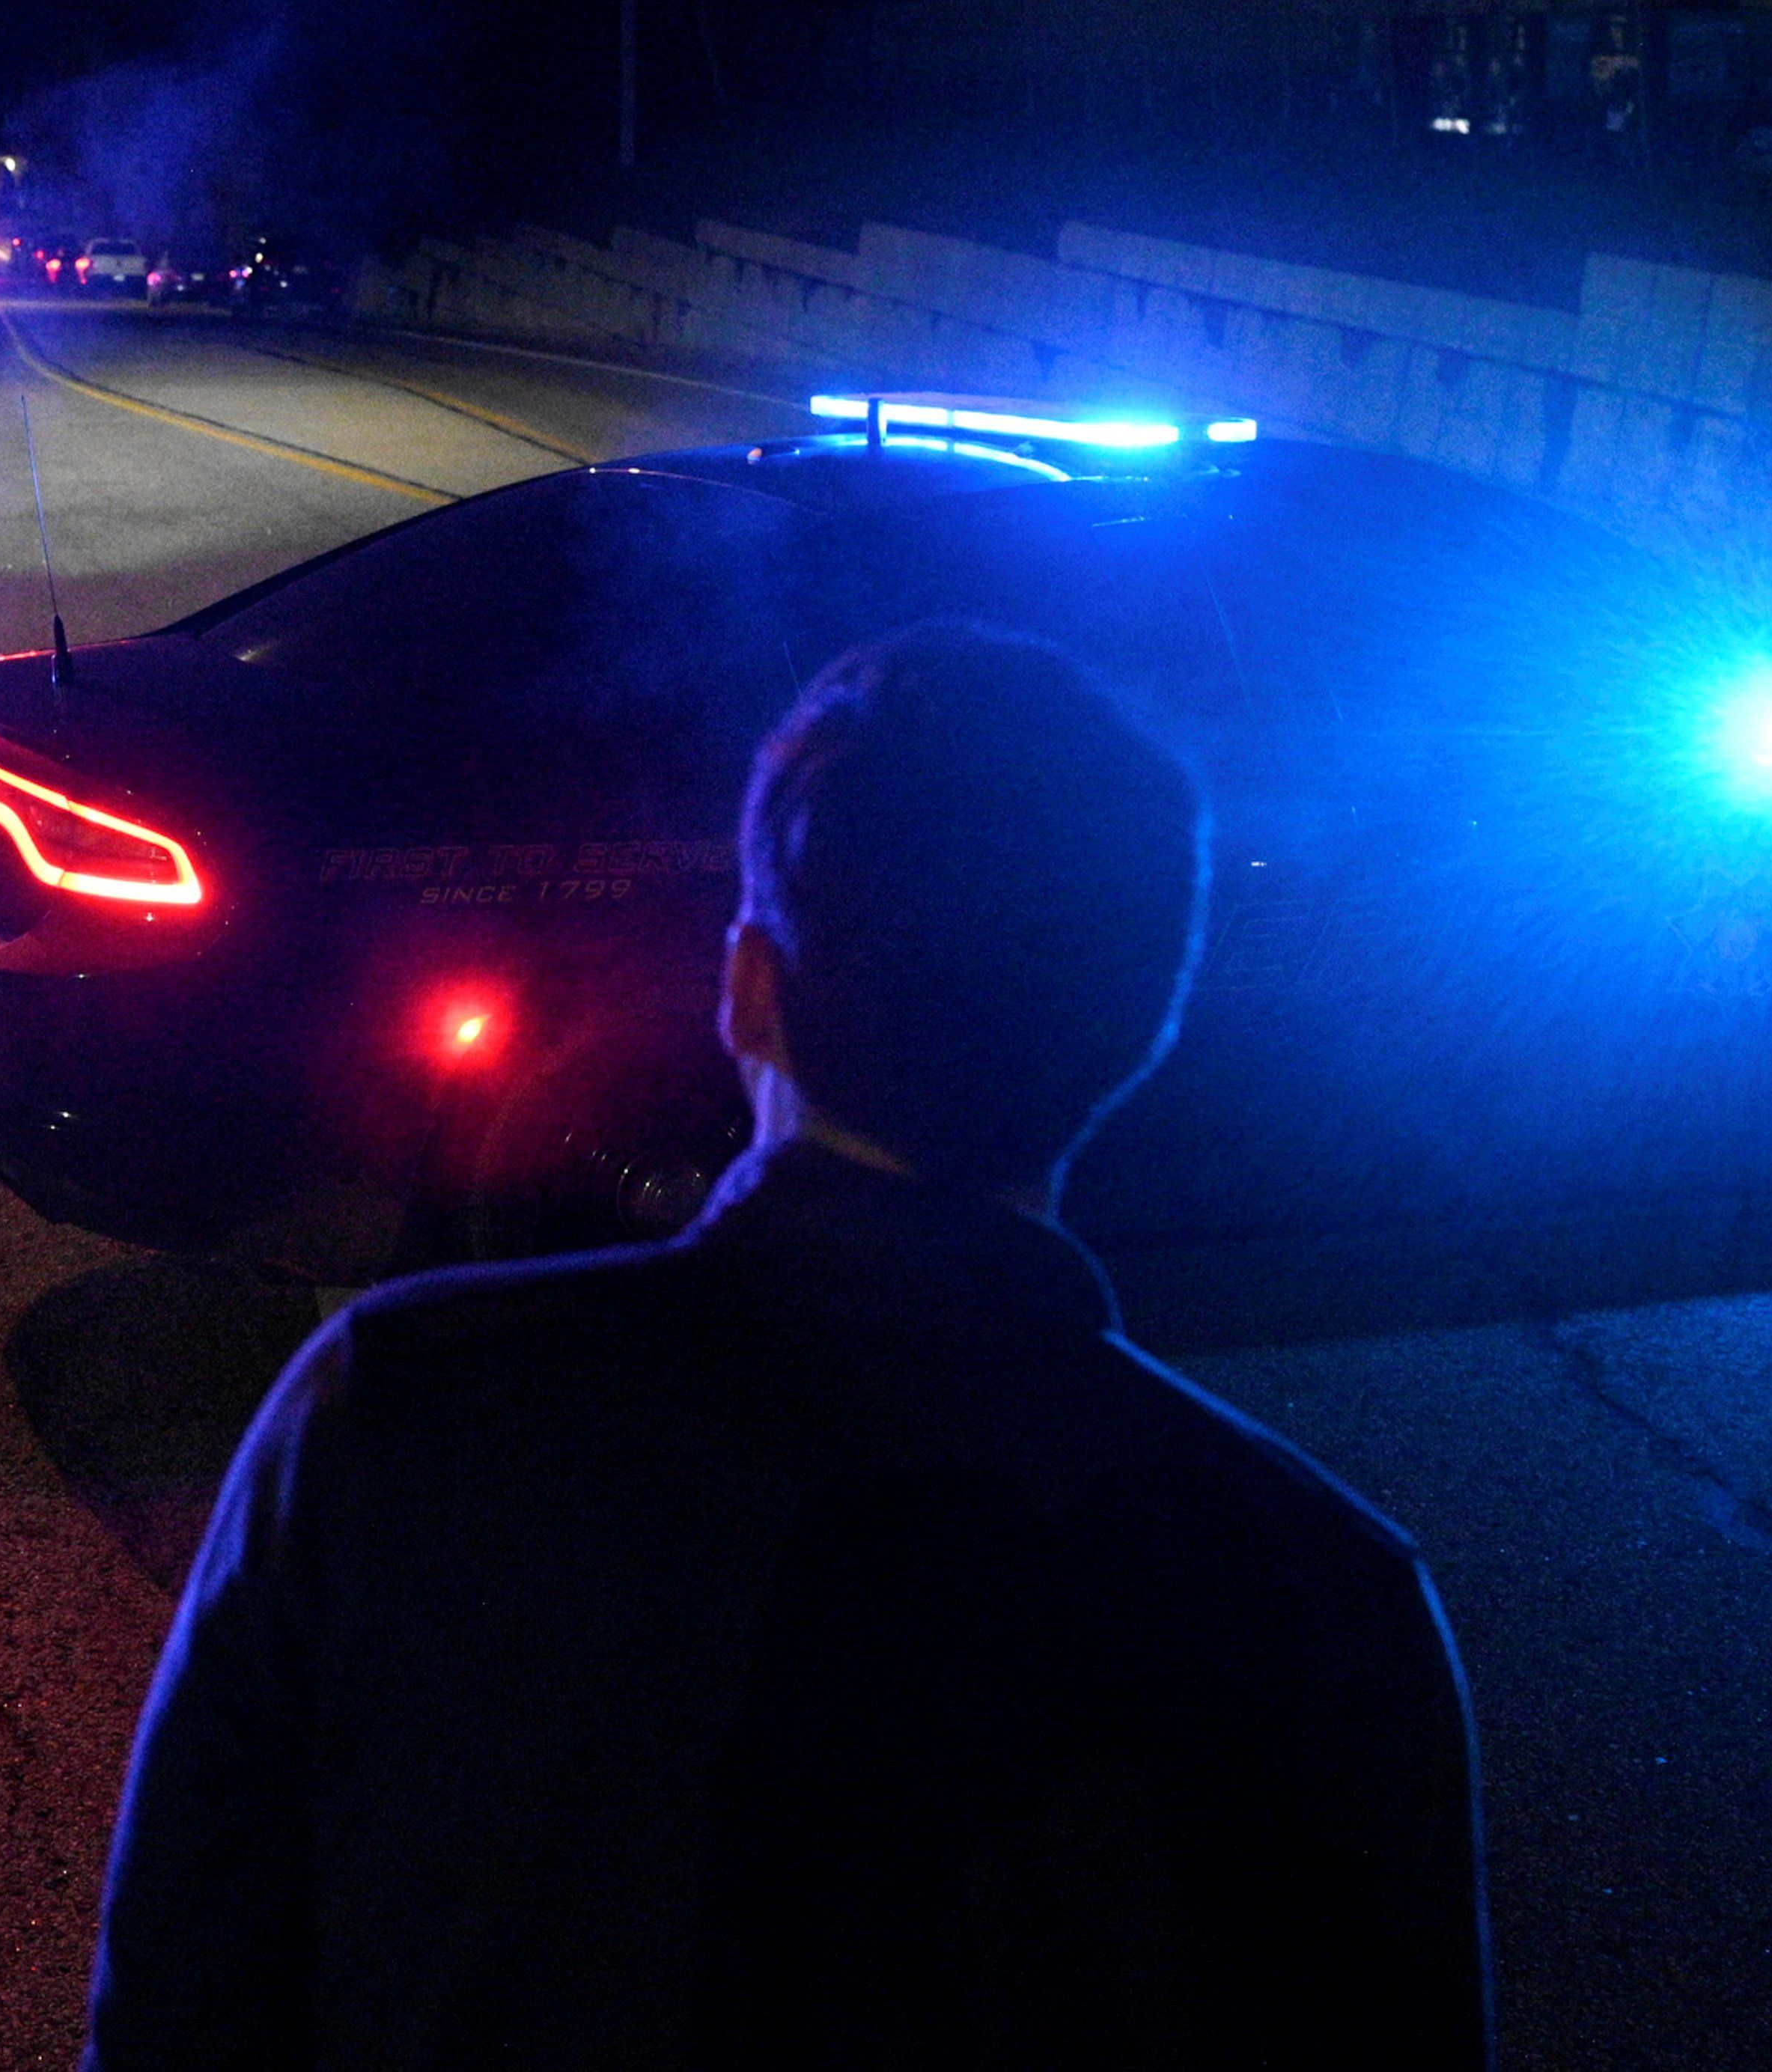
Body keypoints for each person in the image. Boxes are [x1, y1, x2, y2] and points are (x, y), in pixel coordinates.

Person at [87, 623, 1490, 2069]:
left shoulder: (394, 1411)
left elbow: (181, 2008)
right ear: (1140, 1032)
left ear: (747, 986)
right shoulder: (1318, 1594)